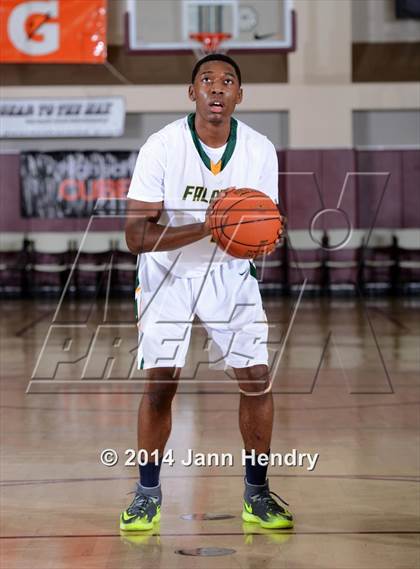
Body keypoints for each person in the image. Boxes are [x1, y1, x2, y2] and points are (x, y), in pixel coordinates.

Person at [120, 53, 293, 531]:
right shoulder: (162, 147)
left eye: (228, 81)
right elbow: (135, 235)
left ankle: (257, 495)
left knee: (256, 378)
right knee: (160, 387)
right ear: (191, 92)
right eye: (207, 80)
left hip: (229, 274)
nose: (217, 88)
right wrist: (208, 225)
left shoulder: (259, 149)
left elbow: (263, 220)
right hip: (168, 275)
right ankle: (146, 495)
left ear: (239, 95)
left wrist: (266, 233)